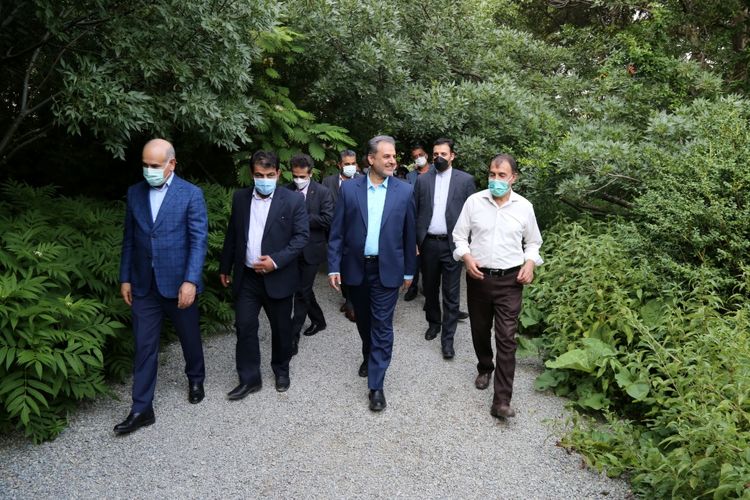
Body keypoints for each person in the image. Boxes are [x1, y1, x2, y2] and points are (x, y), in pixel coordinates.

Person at [115, 138, 208, 435]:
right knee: (144, 346)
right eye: (144, 165)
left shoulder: (190, 194)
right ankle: (142, 408)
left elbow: (198, 241)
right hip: (143, 284)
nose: (149, 171)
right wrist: (125, 277)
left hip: (179, 283)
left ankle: (196, 377)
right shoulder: (135, 193)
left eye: (154, 166)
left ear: (172, 164)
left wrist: (190, 280)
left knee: (189, 336)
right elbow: (129, 239)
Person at [327, 135, 416, 412]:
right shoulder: (349, 190)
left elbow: (409, 234)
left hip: (388, 269)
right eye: (386, 156)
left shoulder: (404, 191)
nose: (392, 161)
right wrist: (333, 265)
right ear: (371, 159)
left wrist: (409, 272)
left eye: (394, 156)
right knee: (364, 321)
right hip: (356, 268)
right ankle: (368, 353)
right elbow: (337, 231)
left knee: (382, 325)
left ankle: (376, 386)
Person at [452, 153, 543, 419]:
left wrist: (530, 263)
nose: (495, 179)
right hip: (479, 278)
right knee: (480, 330)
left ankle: (502, 400)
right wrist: (466, 257)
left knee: (506, 338)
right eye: (492, 174)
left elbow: (533, 242)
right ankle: (484, 367)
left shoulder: (524, 207)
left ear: (513, 178)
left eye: (502, 175)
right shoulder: (474, 202)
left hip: (510, 282)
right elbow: (459, 236)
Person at [219, 151, 309, 399]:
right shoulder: (240, 198)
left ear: (278, 174)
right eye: (259, 175)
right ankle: (249, 379)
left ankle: (281, 370)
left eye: (270, 175)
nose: (265, 180)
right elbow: (233, 234)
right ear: (252, 174)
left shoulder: (293, 200)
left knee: (281, 328)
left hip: (278, 277)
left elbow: (301, 237)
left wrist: (276, 261)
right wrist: (225, 266)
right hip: (247, 277)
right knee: (244, 326)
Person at [413, 138, 475, 359]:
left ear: (452, 156)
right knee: (430, 288)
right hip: (428, 243)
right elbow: (415, 210)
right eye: (435, 154)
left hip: (453, 245)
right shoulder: (422, 180)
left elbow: (473, 215)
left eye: (443, 154)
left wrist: (468, 246)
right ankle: (434, 323)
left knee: (451, 293)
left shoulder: (465, 180)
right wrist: (415, 241)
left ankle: (448, 340)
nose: (439, 157)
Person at [285, 153, 334, 355]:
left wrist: (301, 216)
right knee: (302, 288)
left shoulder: (322, 192)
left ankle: (292, 335)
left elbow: (327, 219)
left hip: (312, 250)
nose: (298, 180)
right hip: (291, 250)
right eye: (295, 176)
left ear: (310, 173)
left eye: (302, 176)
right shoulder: (285, 190)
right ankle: (319, 320)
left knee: (301, 291)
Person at [322, 149, 360, 322]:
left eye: (353, 163)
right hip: (335, 232)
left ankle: (352, 303)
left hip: (355, 234)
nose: (350, 167)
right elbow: (325, 207)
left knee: (353, 267)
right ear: (339, 165)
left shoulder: (363, 180)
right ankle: (347, 298)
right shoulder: (328, 182)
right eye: (347, 164)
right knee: (340, 267)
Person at [403, 143, 433, 302]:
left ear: (426, 155)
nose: (418, 158)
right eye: (415, 157)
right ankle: (412, 287)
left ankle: (429, 289)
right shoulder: (410, 176)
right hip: (415, 219)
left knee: (429, 259)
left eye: (420, 155)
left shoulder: (436, 171)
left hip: (432, 221)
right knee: (413, 255)